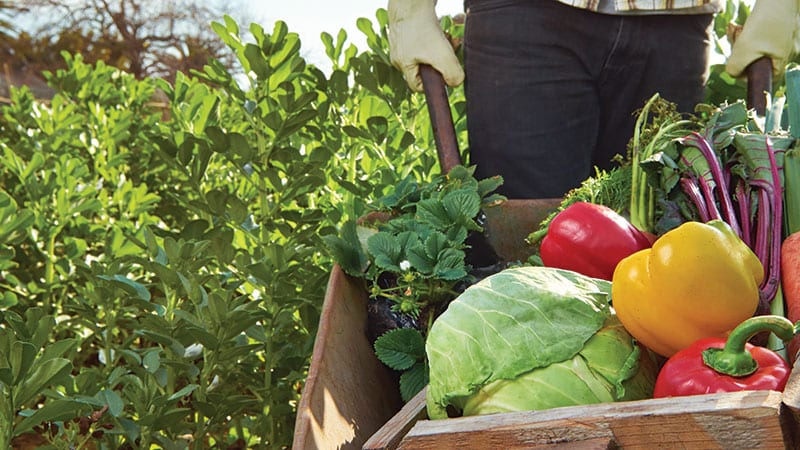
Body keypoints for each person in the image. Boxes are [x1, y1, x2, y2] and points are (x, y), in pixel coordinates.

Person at [388, 0, 799, 199]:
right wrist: (410, 9)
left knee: (664, 238)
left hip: (675, 21)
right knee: (523, 254)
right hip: (524, 17)